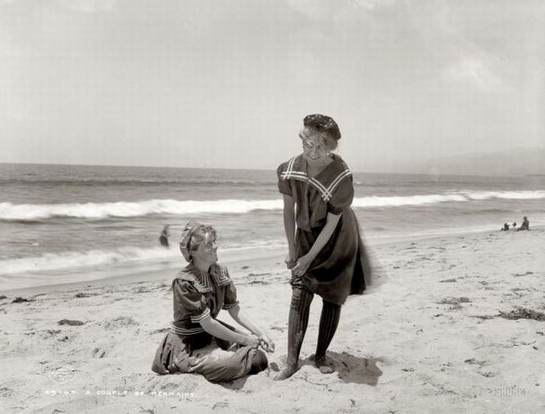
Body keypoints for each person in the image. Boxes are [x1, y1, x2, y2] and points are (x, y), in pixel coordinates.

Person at [274, 114, 374, 380]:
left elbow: (331, 225)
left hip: (338, 238)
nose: (314, 151)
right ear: (302, 138)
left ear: (330, 146)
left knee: (332, 297)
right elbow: (288, 210)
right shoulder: (288, 169)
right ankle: (292, 362)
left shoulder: (341, 177)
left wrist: (310, 258)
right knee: (300, 293)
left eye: (322, 146)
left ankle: (320, 355)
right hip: (306, 233)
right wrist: (293, 250)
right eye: (308, 143)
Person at [151, 221, 274, 383]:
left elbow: (234, 309)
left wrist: (260, 334)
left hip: (213, 334)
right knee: (237, 363)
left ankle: (224, 356)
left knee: (259, 359)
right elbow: (207, 323)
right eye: (209, 244)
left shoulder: (220, 271)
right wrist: (245, 339)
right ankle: (196, 362)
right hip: (189, 343)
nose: (215, 247)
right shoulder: (184, 281)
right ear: (193, 252)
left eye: (214, 242)